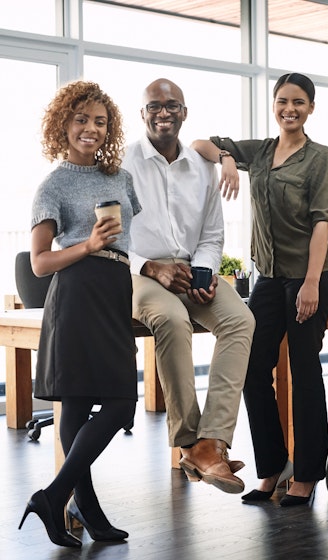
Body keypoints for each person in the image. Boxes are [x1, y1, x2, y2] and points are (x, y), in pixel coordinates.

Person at [192, 72, 328, 506]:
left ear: (310, 108)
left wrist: (311, 282)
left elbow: (321, 222)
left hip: (308, 275)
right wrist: (225, 159)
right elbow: (200, 143)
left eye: (298, 102)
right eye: (281, 101)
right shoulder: (260, 151)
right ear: (273, 105)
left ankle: (307, 474)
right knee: (253, 368)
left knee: (304, 368)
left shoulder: (320, 158)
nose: (289, 109)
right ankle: (272, 467)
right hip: (269, 278)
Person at [19, 81, 141, 547]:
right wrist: (88, 244)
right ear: (63, 124)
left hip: (114, 288)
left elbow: (130, 238)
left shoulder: (120, 178)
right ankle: (66, 500)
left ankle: (74, 505)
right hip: (76, 290)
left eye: (100, 121)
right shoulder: (53, 184)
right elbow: (39, 262)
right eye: (81, 119)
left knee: (95, 403)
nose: (90, 128)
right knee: (110, 402)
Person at [122, 78, 255, 495]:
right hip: (137, 272)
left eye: (172, 105)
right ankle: (187, 441)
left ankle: (211, 441)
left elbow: (213, 233)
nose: (164, 112)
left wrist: (204, 271)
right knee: (171, 320)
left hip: (189, 268)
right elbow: (111, 237)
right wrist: (152, 267)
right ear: (142, 114)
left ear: (184, 112)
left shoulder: (202, 167)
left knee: (240, 320)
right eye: (155, 106)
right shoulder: (122, 165)